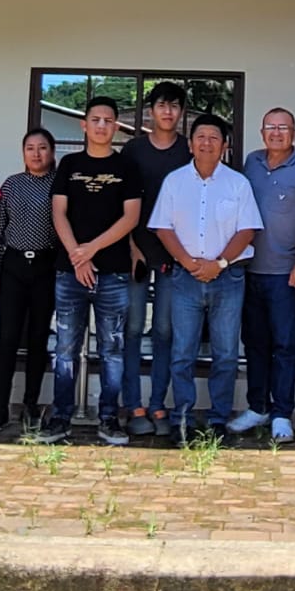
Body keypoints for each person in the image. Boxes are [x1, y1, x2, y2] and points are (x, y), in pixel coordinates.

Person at [150, 113, 264, 443]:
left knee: (226, 354)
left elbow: (248, 229)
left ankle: (217, 419)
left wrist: (220, 263)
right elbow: (163, 227)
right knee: (182, 352)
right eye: (200, 137)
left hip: (228, 279)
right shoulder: (174, 181)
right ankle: (182, 418)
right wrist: (188, 262)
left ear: (225, 145)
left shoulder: (238, 183)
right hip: (184, 278)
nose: (207, 143)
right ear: (190, 144)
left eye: (214, 138)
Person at [39, 96, 142, 446]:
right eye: (95, 120)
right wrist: (77, 257)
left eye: (108, 121)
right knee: (65, 348)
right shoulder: (69, 164)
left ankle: (109, 418)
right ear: (84, 125)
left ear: (116, 127)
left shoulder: (126, 166)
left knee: (112, 349)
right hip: (70, 273)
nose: (101, 126)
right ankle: (61, 417)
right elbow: (58, 212)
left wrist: (91, 250)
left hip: (113, 272)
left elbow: (131, 217)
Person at [232, 108, 295, 442]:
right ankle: (258, 406)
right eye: (270, 127)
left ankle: (282, 412)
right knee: (255, 342)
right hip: (248, 269)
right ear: (261, 132)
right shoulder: (252, 162)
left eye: (283, 127)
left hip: (285, 273)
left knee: (284, 344)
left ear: (294, 133)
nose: (276, 132)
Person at [121, 82, 191, 438]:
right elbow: (121, 201)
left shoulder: (188, 150)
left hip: (174, 253)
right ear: (151, 110)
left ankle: (158, 404)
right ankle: (133, 405)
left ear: (181, 112)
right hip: (135, 249)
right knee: (133, 328)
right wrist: (131, 246)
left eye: (174, 106)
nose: (168, 111)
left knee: (165, 330)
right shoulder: (133, 149)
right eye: (162, 105)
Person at [0, 127, 60, 433]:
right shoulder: (11, 185)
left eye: (42, 148)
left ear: (51, 152)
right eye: (30, 148)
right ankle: (0, 406)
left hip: (46, 266)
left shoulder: (59, 185)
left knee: (38, 338)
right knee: (8, 338)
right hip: (14, 265)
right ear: (23, 153)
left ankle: (31, 404)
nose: (36, 154)